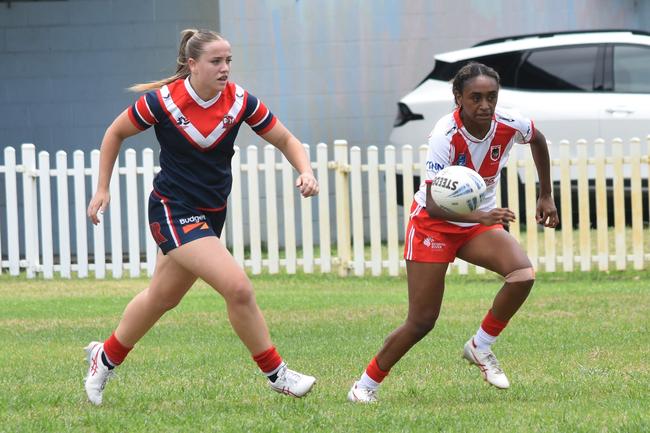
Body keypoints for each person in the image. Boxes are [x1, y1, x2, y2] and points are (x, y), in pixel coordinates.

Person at [84, 29, 319, 405]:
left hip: (211, 214)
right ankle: (278, 374)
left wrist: (305, 170)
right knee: (238, 288)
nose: (225, 68)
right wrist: (102, 188)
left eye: (228, 61)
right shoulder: (163, 102)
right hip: (172, 208)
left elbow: (286, 140)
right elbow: (115, 133)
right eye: (216, 61)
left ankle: (104, 357)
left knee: (161, 297)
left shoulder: (240, 101)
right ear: (192, 64)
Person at [347, 62, 559, 403]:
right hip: (434, 225)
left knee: (522, 274)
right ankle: (365, 386)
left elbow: (539, 139)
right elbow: (432, 204)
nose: (485, 105)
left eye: (491, 97)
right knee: (422, 321)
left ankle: (480, 346)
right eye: (475, 97)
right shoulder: (445, 135)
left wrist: (545, 194)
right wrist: (483, 215)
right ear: (458, 98)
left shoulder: (509, 123)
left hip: (476, 224)